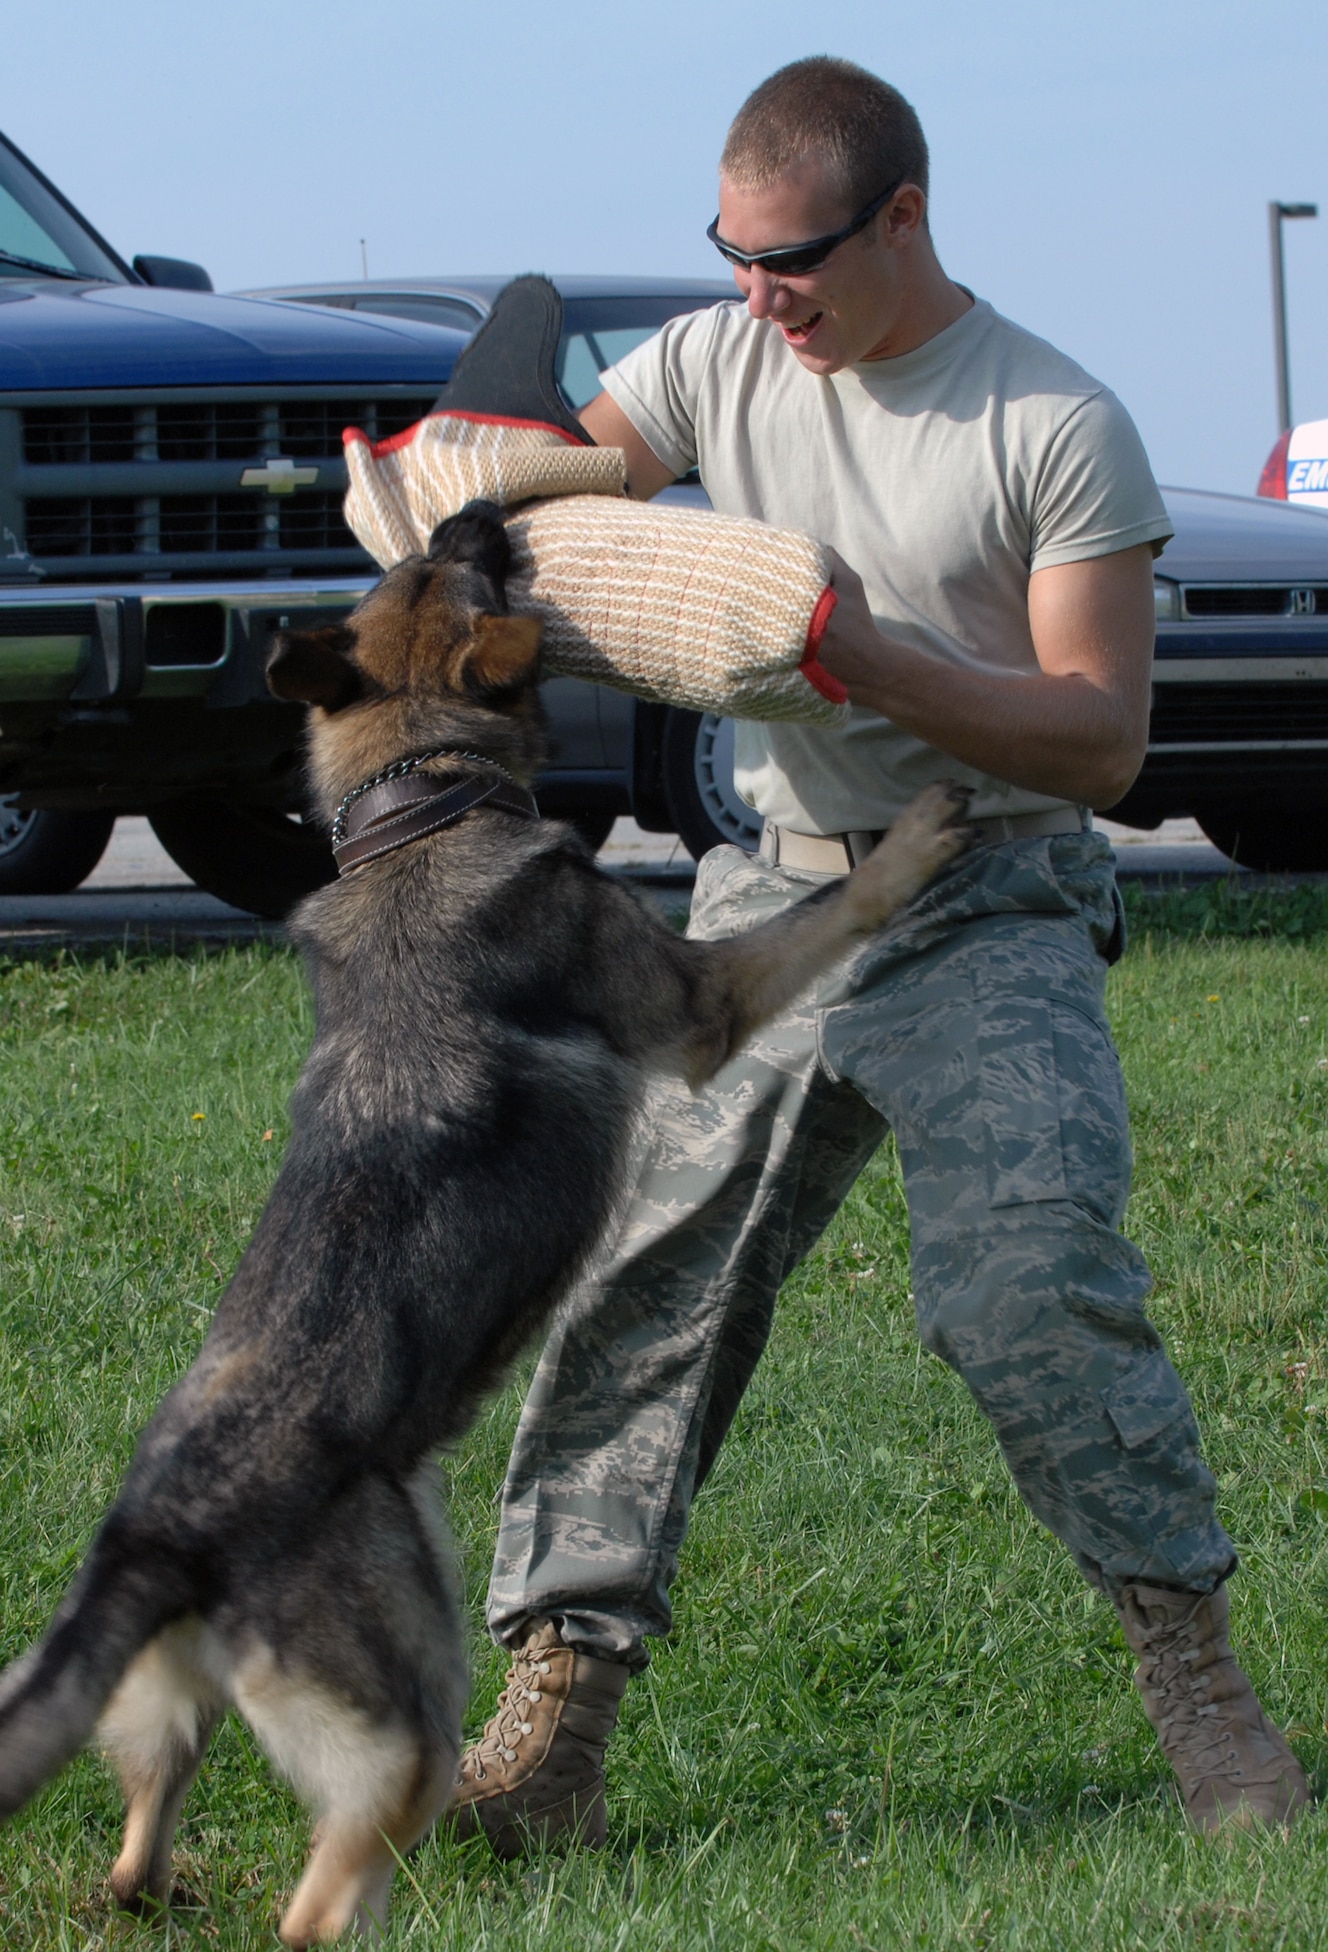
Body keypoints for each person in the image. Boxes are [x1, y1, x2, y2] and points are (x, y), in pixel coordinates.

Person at [448, 56, 1308, 1854]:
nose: (762, 300)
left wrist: (848, 650)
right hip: (773, 891)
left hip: (986, 893)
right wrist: (483, 463)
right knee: (639, 1277)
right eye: (736, 258)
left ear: (903, 215)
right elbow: (569, 472)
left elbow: (1100, 744)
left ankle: (1200, 1686)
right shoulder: (719, 352)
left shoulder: (1054, 421)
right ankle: (560, 1727)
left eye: (796, 263)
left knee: (1027, 1287)